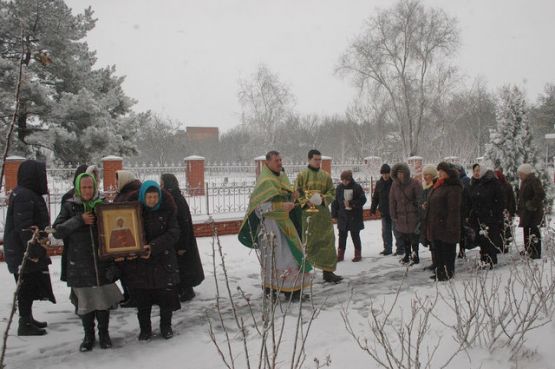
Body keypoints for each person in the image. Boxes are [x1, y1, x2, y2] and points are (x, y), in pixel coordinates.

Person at [53, 173, 123, 351]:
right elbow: (57, 231)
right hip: (79, 265)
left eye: (90, 187)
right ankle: (88, 336)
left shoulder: (103, 206)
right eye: (83, 187)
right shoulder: (70, 207)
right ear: (78, 188)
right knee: (86, 304)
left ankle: (104, 334)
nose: (87, 191)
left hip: (101, 263)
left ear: (95, 187)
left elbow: (117, 228)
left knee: (102, 303)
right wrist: (79, 220)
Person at [238, 151, 312, 300]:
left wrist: (294, 196)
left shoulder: (281, 176)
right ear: (267, 163)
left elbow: (286, 195)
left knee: (291, 257)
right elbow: (259, 209)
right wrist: (280, 205)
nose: (280, 163)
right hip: (271, 227)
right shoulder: (265, 181)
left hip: (285, 223)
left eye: (280, 160)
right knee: (274, 260)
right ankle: (273, 290)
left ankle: (291, 290)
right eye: (276, 160)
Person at [117, 181, 181, 340]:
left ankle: (166, 327)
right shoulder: (133, 212)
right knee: (143, 301)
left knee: (165, 300)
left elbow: (174, 233)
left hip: (163, 261)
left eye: (154, 196)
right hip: (140, 264)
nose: (151, 200)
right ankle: (145, 330)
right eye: (148, 197)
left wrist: (152, 247)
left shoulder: (167, 211)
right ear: (142, 196)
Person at [3, 160, 56, 336]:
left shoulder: (26, 193)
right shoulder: (25, 195)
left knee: (29, 286)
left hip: (24, 252)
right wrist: (33, 250)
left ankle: (28, 318)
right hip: (23, 253)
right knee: (25, 288)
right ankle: (24, 322)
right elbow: (24, 227)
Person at [295, 149, 342, 283]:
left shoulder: (325, 176)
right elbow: (296, 192)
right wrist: (305, 201)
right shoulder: (302, 175)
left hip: (322, 215)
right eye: (315, 159)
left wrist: (323, 198)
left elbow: (332, 192)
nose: (318, 162)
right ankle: (303, 274)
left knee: (328, 242)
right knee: (308, 244)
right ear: (309, 159)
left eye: (319, 160)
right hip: (307, 216)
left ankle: (328, 272)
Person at [160, 173, 205, 302]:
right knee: (180, 266)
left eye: (162, 183)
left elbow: (183, 223)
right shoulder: (171, 196)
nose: (160, 185)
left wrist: (182, 245)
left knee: (184, 266)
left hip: (182, 241)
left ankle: (187, 290)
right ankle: (182, 289)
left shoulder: (176, 199)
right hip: (178, 240)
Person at [425, 162, 462, 281]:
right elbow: (435, 200)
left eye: (442, 171)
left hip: (446, 225)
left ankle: (447, 273)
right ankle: (440, 271)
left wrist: (451, 227)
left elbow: (453, 209)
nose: (439, 173)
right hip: (436, 224)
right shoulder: (438, 185)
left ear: (448, 173)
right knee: (439, 250)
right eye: (439, 171)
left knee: (447, 250)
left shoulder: (454, 187)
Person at [112, 170, 142, 307]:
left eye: (117, 180)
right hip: (121, 235)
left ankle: (134, 296)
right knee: (125, 268)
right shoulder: (124, 193)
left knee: (131, 269)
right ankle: (128, 294)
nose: (115, 183)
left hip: (129, 236)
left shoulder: (132, 194)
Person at [468, 168, 505, 268]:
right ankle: (484, 259)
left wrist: (492, 212)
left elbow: (499, 200)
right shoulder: (480, 183)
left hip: (491, 217)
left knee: (490, 239)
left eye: (479, 171)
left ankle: (491, 260)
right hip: (481, 216)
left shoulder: (493, 183)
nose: (477, 173)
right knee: (482, 239)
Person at [389, 163, 423, 265]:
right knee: (405, 237)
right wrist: (393, 215)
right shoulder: (394, 185)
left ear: (406, 173)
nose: (400, 175)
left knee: (414, 238)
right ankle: (407, 255)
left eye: (402, 173)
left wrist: (419, 214)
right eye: (398, 173)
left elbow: (420, 199)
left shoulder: (415, 183)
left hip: (413, 216)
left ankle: (415, 255)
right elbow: (392, 201)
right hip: (401, 217)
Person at [61, 164, 88, 284]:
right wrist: (79, 220)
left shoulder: (98, 199)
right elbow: (60, 228)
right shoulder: (69, 198)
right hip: (75, 246)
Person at [331, 170, 367, 262]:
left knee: (355, 235)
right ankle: (340, 254)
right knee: (342, 236)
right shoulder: (339, 188)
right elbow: (335, 202)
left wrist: (352, 203)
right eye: (343, 180)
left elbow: (363, 200)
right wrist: (334, 214)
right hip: (342, 216)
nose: (344, 182)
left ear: (350, 179)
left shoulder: (357, 187)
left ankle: (358, 254)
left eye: (346, 180)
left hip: (354, 216)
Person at [370, 164, 402, 256]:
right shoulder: (379, 184)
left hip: (395, 211)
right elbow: (375, 197)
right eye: (383, 174)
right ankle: (387, 248)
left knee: (397, 231)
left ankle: (400, 248)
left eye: (387, 173)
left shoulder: (394, 183)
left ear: (390, 173)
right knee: (385, 232)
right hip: (384, 211)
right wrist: (373, 208)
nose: (385, 175)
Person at [517, 163, 545, 259]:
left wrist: (532, 204)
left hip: (533, 213)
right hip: (526, 213)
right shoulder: (525, 182)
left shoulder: (533, 180)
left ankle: (535, 252)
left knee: (533, 231)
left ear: (526, 173)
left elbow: (540, 194)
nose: (519, 176)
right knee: (527, 231)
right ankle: (528, 249)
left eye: (521, 174)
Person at [420, 164, 438, 271]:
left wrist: (428, 205)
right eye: (424, 175)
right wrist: (422, 204)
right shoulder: (425, 187)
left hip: (434, 219)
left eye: (427, 175)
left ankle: (437, 263)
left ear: (433, 175)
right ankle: (434, 262)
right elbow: (421, 200)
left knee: (435, 242)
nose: (425, 177)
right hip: (426, 218)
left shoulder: (435, 186)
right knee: (431, 242)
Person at [495, 168, 516, 253]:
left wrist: (511, 211)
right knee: (500, 230)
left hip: (505, 210)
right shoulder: (496, 186)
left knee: (505, 229)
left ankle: (504, 246)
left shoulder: (506, 186)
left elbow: (511, 200)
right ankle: (501, 246)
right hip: (500, 211)